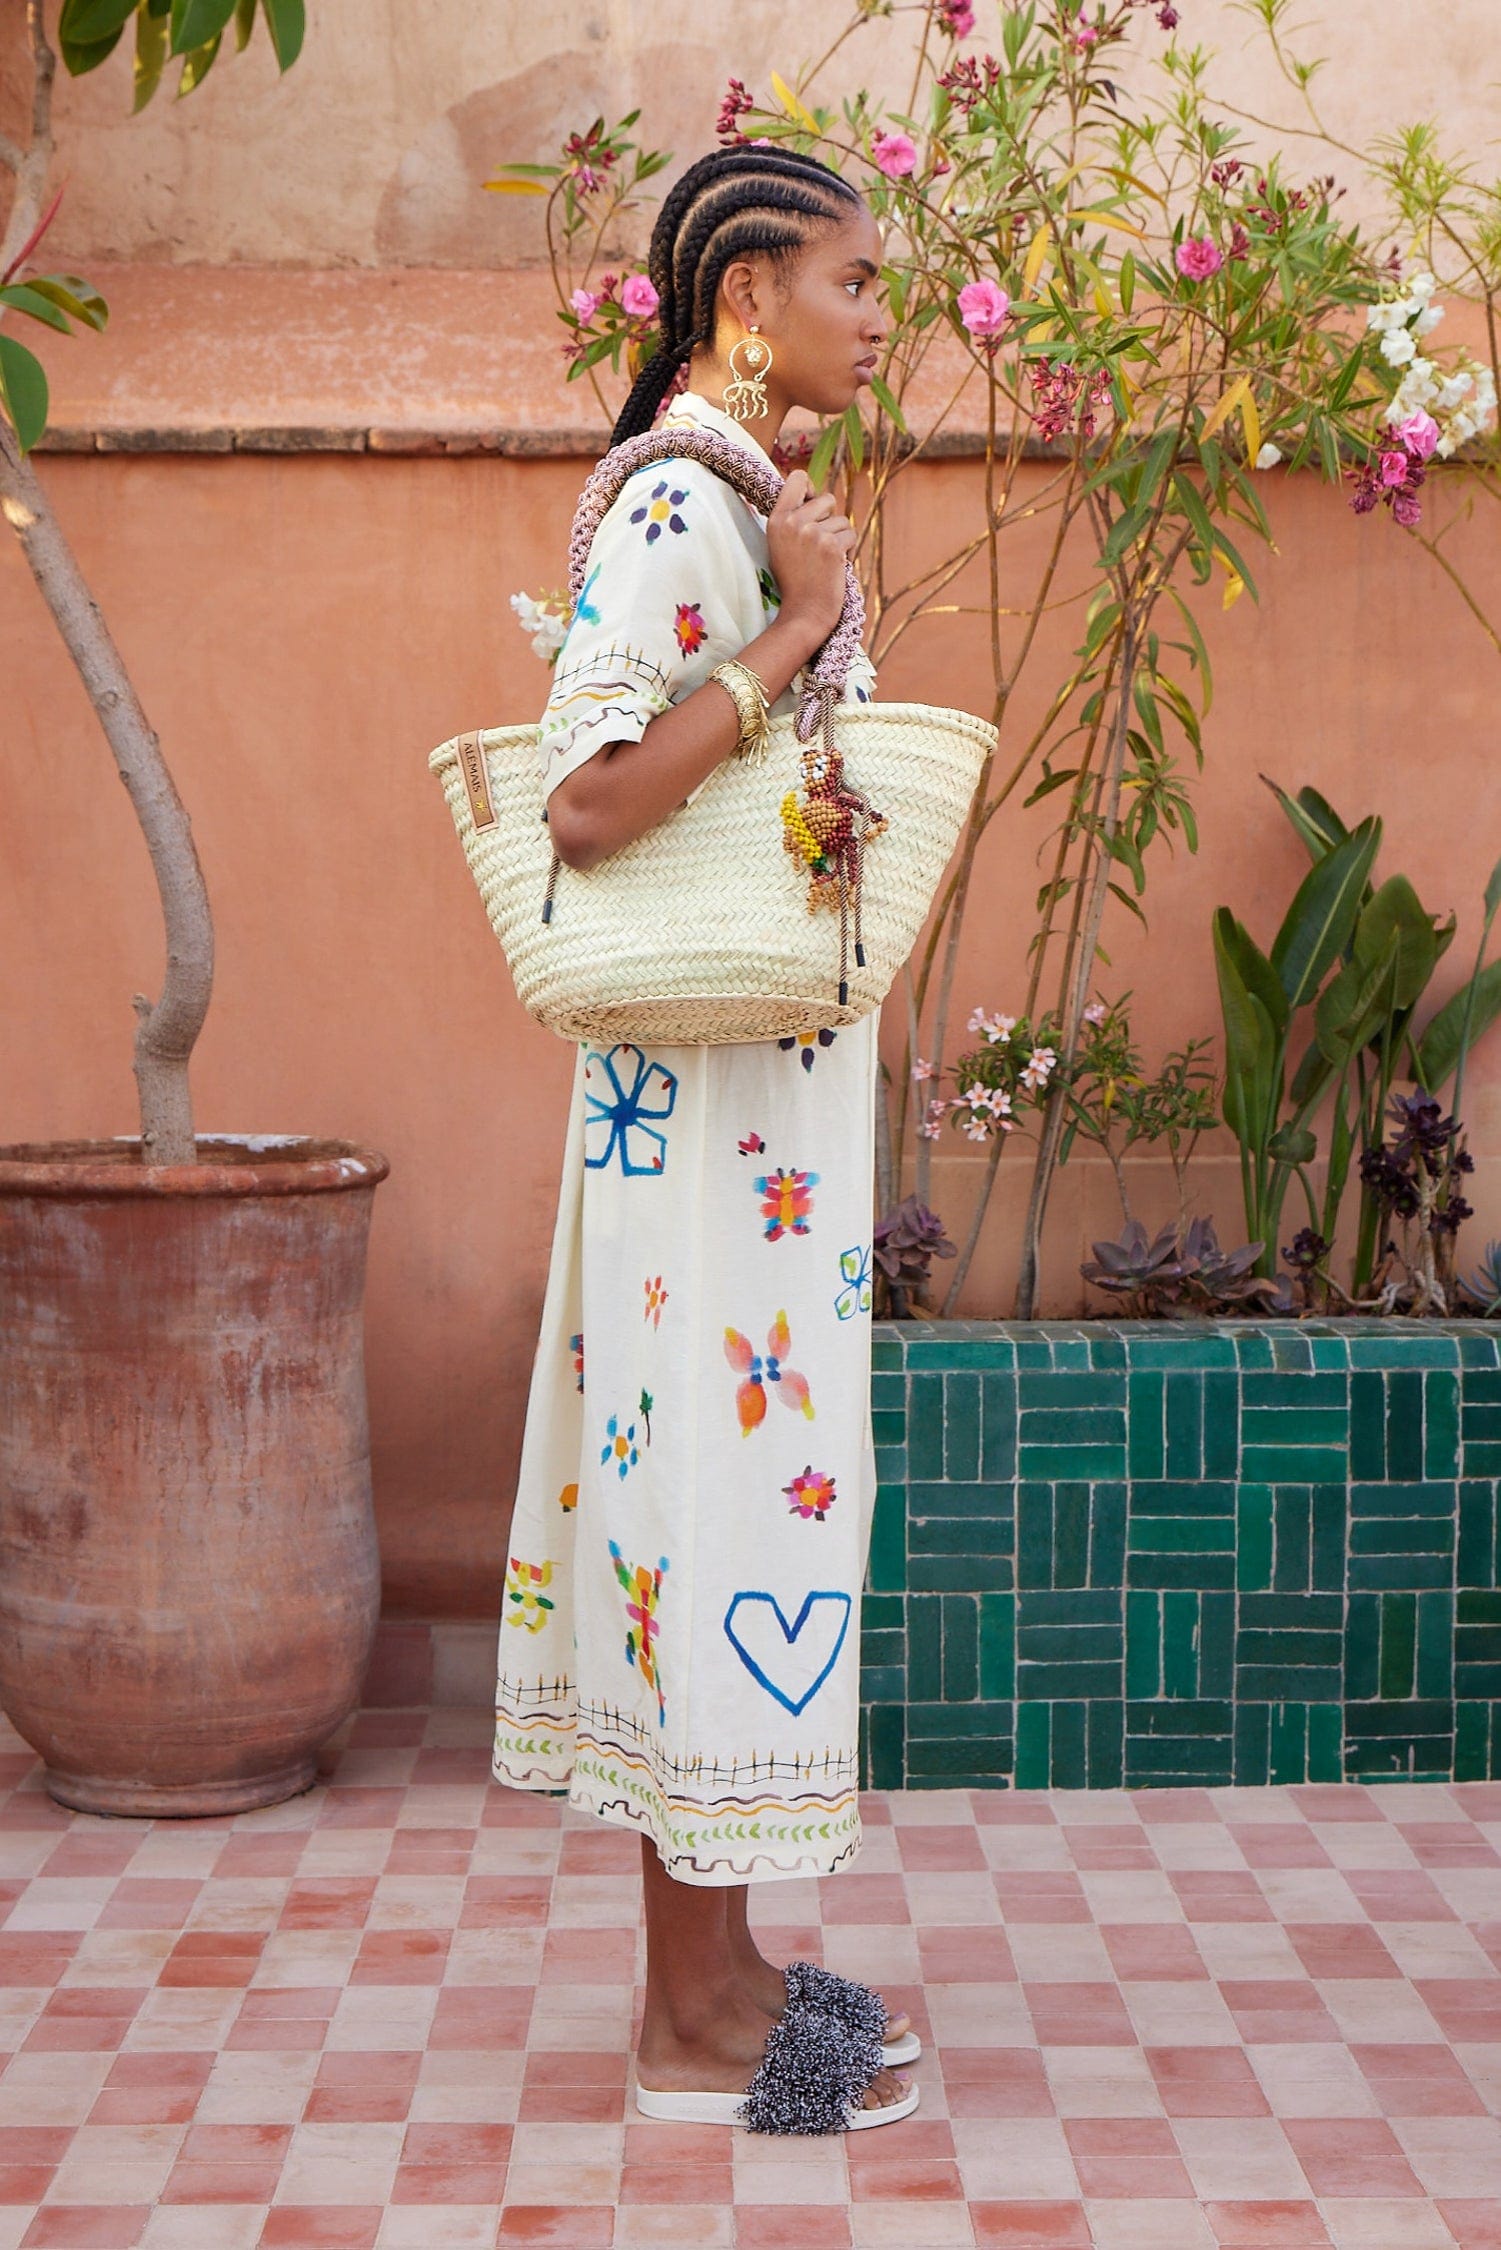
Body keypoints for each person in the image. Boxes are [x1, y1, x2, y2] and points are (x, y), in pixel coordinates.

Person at [493, 144, 918, 2132]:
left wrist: (804, 612)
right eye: (851, 280)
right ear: (747, 295)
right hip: (706, 1157)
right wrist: (789, 633)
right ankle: (682, 2024)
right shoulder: (680, 504)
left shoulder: (729, 493)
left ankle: (724, 1966)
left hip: (747, 1141)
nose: (878, 316)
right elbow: (586, 800)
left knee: (740, 1514)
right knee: (710, 1515)